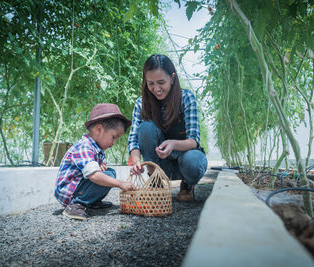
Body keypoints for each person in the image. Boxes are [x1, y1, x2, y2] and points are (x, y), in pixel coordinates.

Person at [128, 54, 208, 201]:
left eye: (161, 82)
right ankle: (155, 181)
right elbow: (133, 140)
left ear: (172, 78)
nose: (156, 88)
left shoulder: (186, 98)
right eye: (150, 83)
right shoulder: (141, 103)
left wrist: (173, 144)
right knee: (145, 128)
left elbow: (194, 140)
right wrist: (136, 161)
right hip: (159, 163)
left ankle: (187, 184)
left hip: (184, 160)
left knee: (193, 160)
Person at [55, 103, 136, 220]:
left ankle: (91, 201)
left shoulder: (95, 148)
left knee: (110, 172)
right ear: (98, 130)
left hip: (79, 186)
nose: (114, 143)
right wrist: (120, 184)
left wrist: (100, 166)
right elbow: (94, 176)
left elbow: (93, 168)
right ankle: (76, 205)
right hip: (69, 192)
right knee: (107, 176)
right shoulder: (84, 146)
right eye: (113, 137)